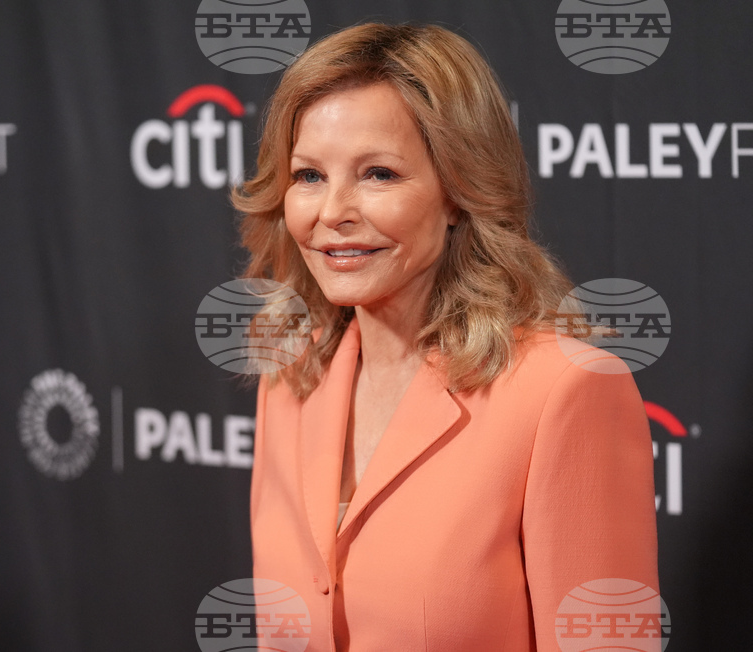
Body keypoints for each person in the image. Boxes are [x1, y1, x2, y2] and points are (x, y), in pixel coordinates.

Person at [233, 23, 660, 651]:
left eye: (378, 174)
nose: (332, 213)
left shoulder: (562, 391)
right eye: (309, 176)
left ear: (459, 192)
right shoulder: (292, 374)